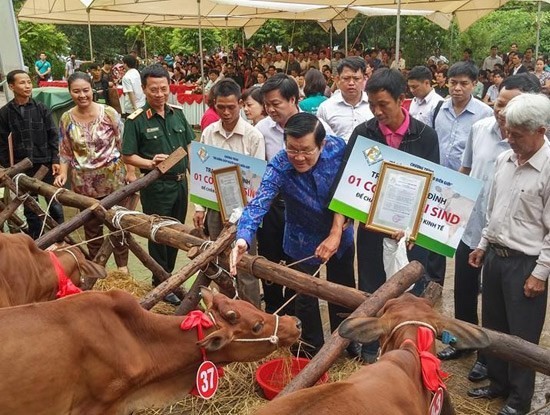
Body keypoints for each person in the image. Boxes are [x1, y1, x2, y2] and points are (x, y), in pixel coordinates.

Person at [230, 112, 355, 355]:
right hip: (301, 239)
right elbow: (259, 202)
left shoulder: (339, 149)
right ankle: (311, 349)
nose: (298, 157)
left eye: (307, 150)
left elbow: (352, 188)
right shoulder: (279, 164)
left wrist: (337, 230)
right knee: (304, 296)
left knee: (343, 291)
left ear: (322, 143)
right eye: (292, 149)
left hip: (341, 236)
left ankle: (347, 343)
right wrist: (243, 237)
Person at [440, 74, 541, 374]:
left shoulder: (534, 144)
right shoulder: (480, 128)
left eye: (509, 107)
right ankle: (460, 341)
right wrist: (450, 212)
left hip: (509, 239)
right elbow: (466, 168)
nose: (501, 112)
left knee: (498, 305)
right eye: (498, 104)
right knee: (464, 290)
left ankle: (488, 359)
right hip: (473, 228)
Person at [345, 68, 439, 362]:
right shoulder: (364, 133)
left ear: (402, 100)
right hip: (373, 230)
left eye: (383, 104)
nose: (376, 111)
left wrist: (412, 226)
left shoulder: (425, 136)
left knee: (412, 292)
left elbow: (433, 186)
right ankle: (371, 350)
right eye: (371, 104)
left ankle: (411, 351)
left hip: (413, 233)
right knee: (372, 290)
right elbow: (350, 182)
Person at [467, 93, 550, 415]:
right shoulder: (505, 160)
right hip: (496, 257)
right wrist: (483, 244)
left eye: (517, 134)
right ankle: (498, 383)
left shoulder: (546, 168)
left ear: (540, 130)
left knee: (522, 338)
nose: (508, 138)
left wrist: (540, 273)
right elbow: (495, 210)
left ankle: (519, 399)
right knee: (495, 329)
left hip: (525, 264)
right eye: (507, 131)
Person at [122, 64, 194, 305]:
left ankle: (169, 277)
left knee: (175, 232)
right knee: (157, 234)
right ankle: (161, 280)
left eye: (164, 89)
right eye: (154, 90)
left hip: (180, 185)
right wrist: (150, 162)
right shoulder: (137, 120)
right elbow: (128, 155)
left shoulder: (178, 113)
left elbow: (190, 149)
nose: (160, 94)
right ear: (144, 89)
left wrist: (196, 178)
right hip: (156, 187)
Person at [193, 79, 265, 306]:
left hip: (243, 211)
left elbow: (258, 179)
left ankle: (252, 315)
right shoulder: (208, 133)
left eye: (231, 107)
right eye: (220, 107)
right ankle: (224, 311)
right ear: (213, 104)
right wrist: (198, 207)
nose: (225, 112)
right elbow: (201, 172)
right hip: (214, 206)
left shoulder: (254, 136)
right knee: (217, 260)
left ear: (241, 104)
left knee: (245, 265)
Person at [54, 72, 129, 273]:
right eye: (76, 91)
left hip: (114, 180)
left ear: (92, 90)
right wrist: (62, 174)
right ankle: (98, 268)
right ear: (70, 92)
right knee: (92, 228)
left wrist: (130, 171)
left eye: (85, 90)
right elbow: (65, 151)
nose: (82, 95)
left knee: (118, 224)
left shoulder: (109, 113)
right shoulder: (66, 118)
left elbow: (124, 145)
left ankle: (123, 269)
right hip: (83, 184)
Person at [426, 62, 493, 287]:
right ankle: (434, 283)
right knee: (436, 235)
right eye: (453, 82)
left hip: (468, 187)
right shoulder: (438, 109)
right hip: (440, 184)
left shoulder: (486, 115)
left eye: (464, 84)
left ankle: (474, 282)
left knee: (468, 238)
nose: (457, 88)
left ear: (474, 85)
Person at [0, 69, 64, 239]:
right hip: (21, 167)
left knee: (54, 202)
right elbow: (2, 143)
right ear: (12, 86)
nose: (27, 86)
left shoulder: (41, 108)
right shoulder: (5, 112)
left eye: (29, 82)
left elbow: (52, 134)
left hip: (44, 162)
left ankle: (62, 237)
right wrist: (9, 167)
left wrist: (55, 159)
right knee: (30, 204)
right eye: (22, 83)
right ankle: (37, 239)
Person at [316, 57, 374, 143]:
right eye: (346, 78)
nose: (351, 83)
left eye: (356, 79)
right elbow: (319, 139)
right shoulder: (326, 108)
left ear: (364, 79)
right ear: (337, 79)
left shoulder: (374, 106)